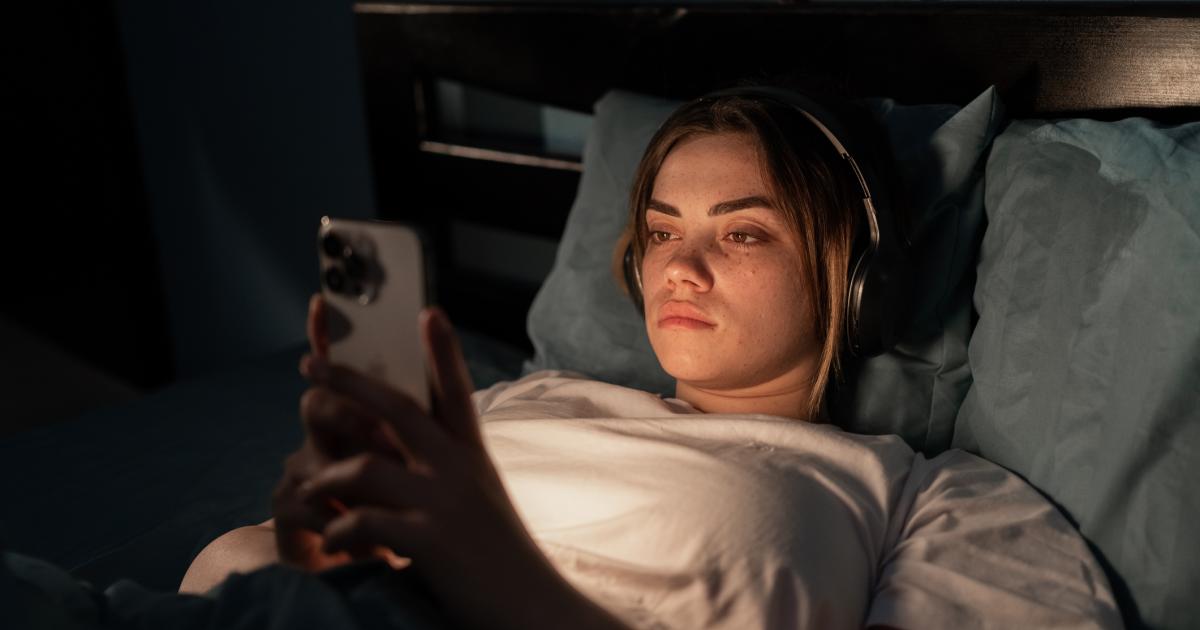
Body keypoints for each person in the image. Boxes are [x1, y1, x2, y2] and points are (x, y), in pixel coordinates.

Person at [180, 90, 1121, 629]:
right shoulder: (525, 400)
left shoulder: (924, 498)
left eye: (743, 233)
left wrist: (486, 560)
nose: (681, 264)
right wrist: (322, 543)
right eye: (662, 230)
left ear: (854, 283)